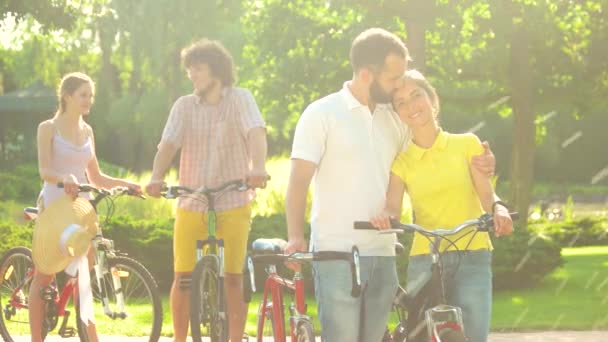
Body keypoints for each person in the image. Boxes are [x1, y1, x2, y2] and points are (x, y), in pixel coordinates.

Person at [285, 28, 496, 341]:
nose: (401, 84)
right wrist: (295, 237)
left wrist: (482, 162)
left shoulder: (393, 117)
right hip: (336, 252)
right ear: (368, 74)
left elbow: (434, 151)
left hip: (384, 253)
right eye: (395, 77)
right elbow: (298, 181)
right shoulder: (321, 114)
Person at [370, 69, 514, 342]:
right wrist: (384, 218)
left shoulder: (467, 145)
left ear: (432, 99)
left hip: (472, 254)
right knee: (419, 336)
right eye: (401, 102)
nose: (411, 105)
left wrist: (499, 209)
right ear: (397, 113)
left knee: (473, 336)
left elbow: (487, 195)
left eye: (416, 95)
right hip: (425, 259)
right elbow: (393, 207)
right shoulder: (401, 161)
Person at [145, 39, 268, 342]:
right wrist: (156, 176)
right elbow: (168, 144)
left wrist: (258, 167)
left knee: (233, 278)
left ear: (216, 70)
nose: (192, 75)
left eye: (197, 69)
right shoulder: (184, 106)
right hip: (192, 200)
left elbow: (255, 132)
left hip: (234, 199)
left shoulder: (241, 99)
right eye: (190, 70)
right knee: (183, 277)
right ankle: (179, 338)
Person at [31, 72, 141, 342]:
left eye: (91, 95)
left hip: (82, 210)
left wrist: (126, 183)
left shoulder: (88, 131)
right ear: (67, 96)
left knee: (83, 278)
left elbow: (96, 178)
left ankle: (90, 338)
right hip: (55, 208)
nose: (89, 100)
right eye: (83, 95)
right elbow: (45, 170)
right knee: (44, 276)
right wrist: (64, 177)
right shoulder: (48, 128)